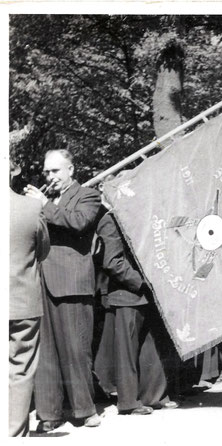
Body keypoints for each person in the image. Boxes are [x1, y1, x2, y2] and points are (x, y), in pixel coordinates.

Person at [24, 149, 102, 431]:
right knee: (44, 353)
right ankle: (49, 414)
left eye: (56, 171)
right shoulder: (40, 200)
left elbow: (79, 222)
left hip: (71, 283)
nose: (50, 176)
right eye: (46, 172)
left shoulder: (88, 195)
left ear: (71, 169)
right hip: (39, 281)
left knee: (76, 349)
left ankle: (85, 410)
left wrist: (43, 203)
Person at [96, 209, 177, 415]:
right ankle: (128, 402)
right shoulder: (111, 219)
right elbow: (112, 262)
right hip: (127, 293)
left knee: (152, 346)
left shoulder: (146, 213)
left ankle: (154, 396)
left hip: (150, 293)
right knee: (127, 351)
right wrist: (142, 283)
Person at [9, 159, 50, 436]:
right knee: (20, 372)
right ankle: (12, 434)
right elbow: (43, 250)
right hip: (21, 302)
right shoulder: (32, 207)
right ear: (14, 171)